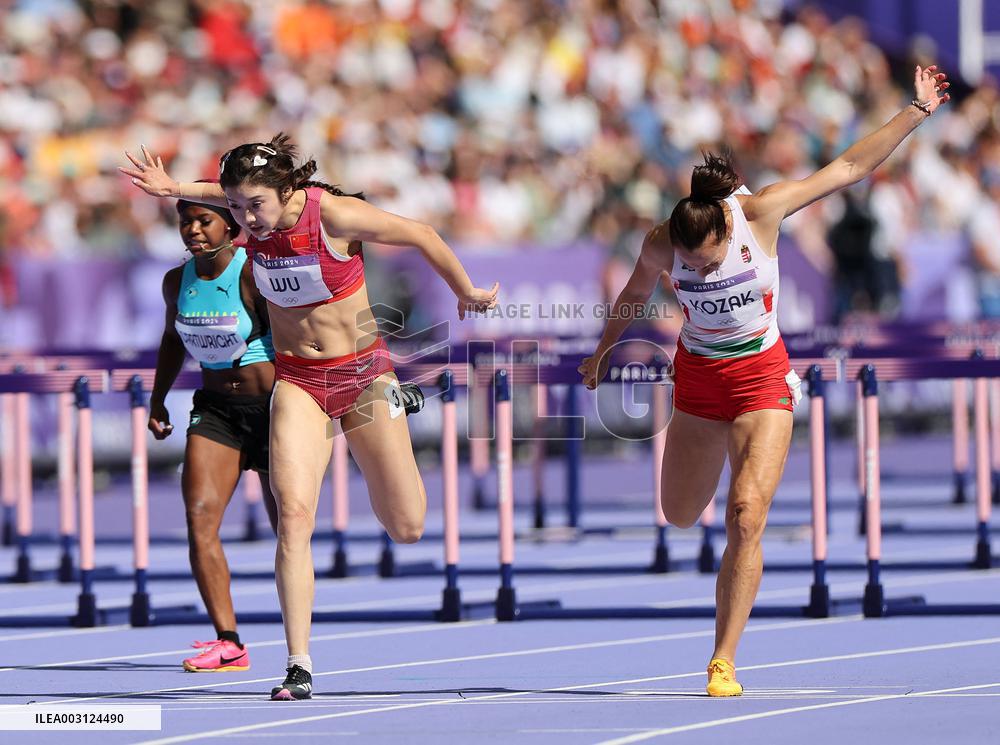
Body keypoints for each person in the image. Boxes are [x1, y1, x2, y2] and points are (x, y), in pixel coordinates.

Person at [580, 65, 950, 696]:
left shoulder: (763, 213)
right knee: (678, 514)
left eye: (704, 261)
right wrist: (600, 353)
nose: (692, 271)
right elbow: (632, 296)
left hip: (762, 379)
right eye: (686, 265)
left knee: (746, 514)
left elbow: (848, 169)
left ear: (727, 227)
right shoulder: (662, 242)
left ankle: (722, 660)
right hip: (698, 381)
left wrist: (914, 112)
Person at [122, 134, 499, 700]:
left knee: (407, 526)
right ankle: (298, 664)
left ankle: (401, 401)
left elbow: (422, 234)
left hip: (363, 375)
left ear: (287, 190)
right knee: (293, 518)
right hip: (298, 382)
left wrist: (465, 290)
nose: (246, 220)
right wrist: (172, 187)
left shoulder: (334, 216)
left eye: (255, 207)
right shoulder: (248, 212)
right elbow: (215, 192)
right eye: (237, 208)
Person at [149, 191, 278, 673]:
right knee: (199, 518)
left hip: (270, 410)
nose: (194, 230)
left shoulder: (251, 273)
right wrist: (158, 397)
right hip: (216, 411)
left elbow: (293, 336)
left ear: (230, 226)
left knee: (287, 529)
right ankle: (229, 641)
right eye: (186, 223)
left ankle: (297, 644)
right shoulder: (174, 281)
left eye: (204, 221)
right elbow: (169, 340)